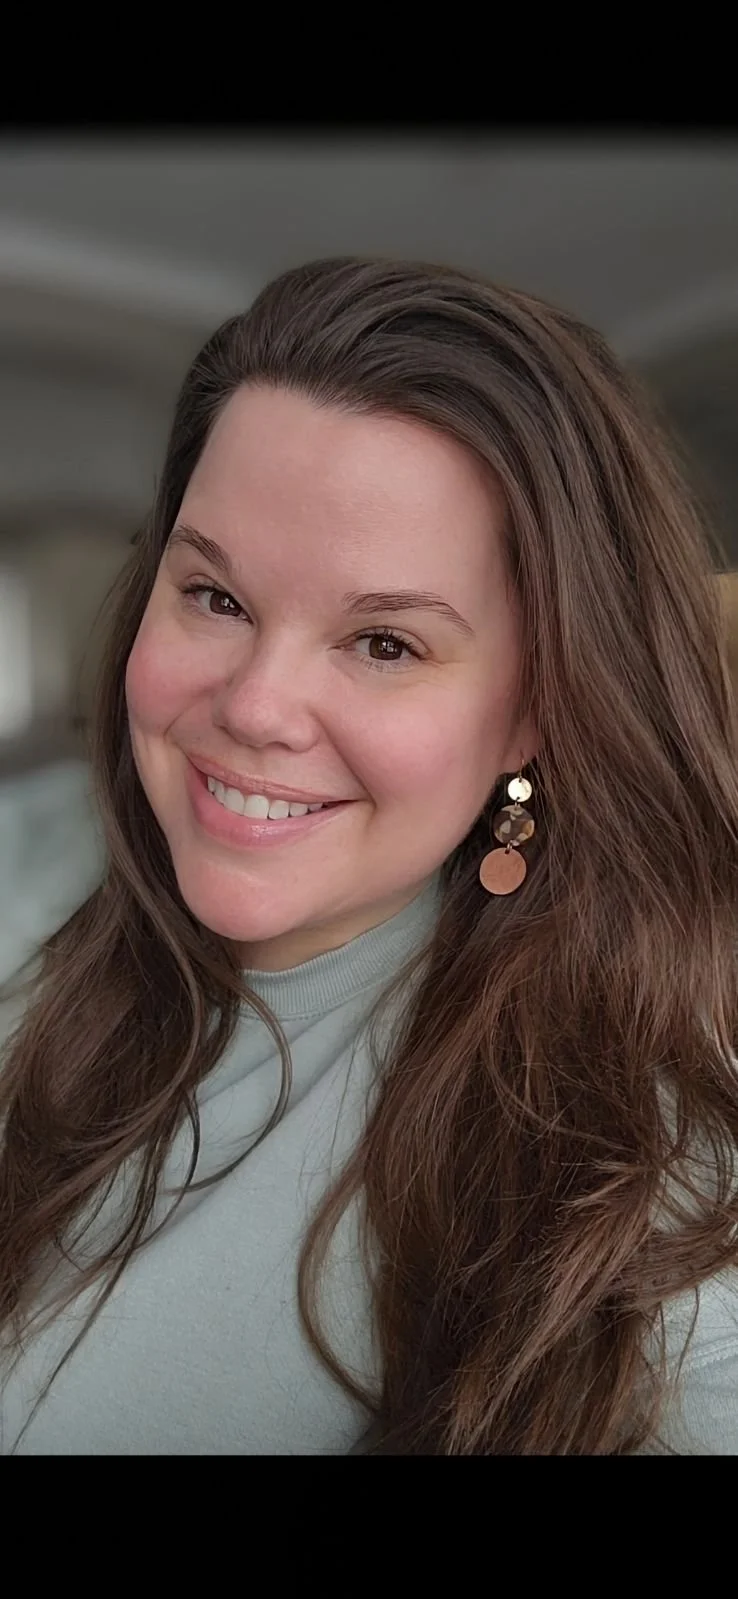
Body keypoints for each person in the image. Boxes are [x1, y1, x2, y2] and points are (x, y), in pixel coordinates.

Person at [1, 256, 738, 1456]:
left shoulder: (629, 1166)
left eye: (385, 642)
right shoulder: (38, 887)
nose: (256, 707)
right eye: (217, 598)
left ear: (537, 705)